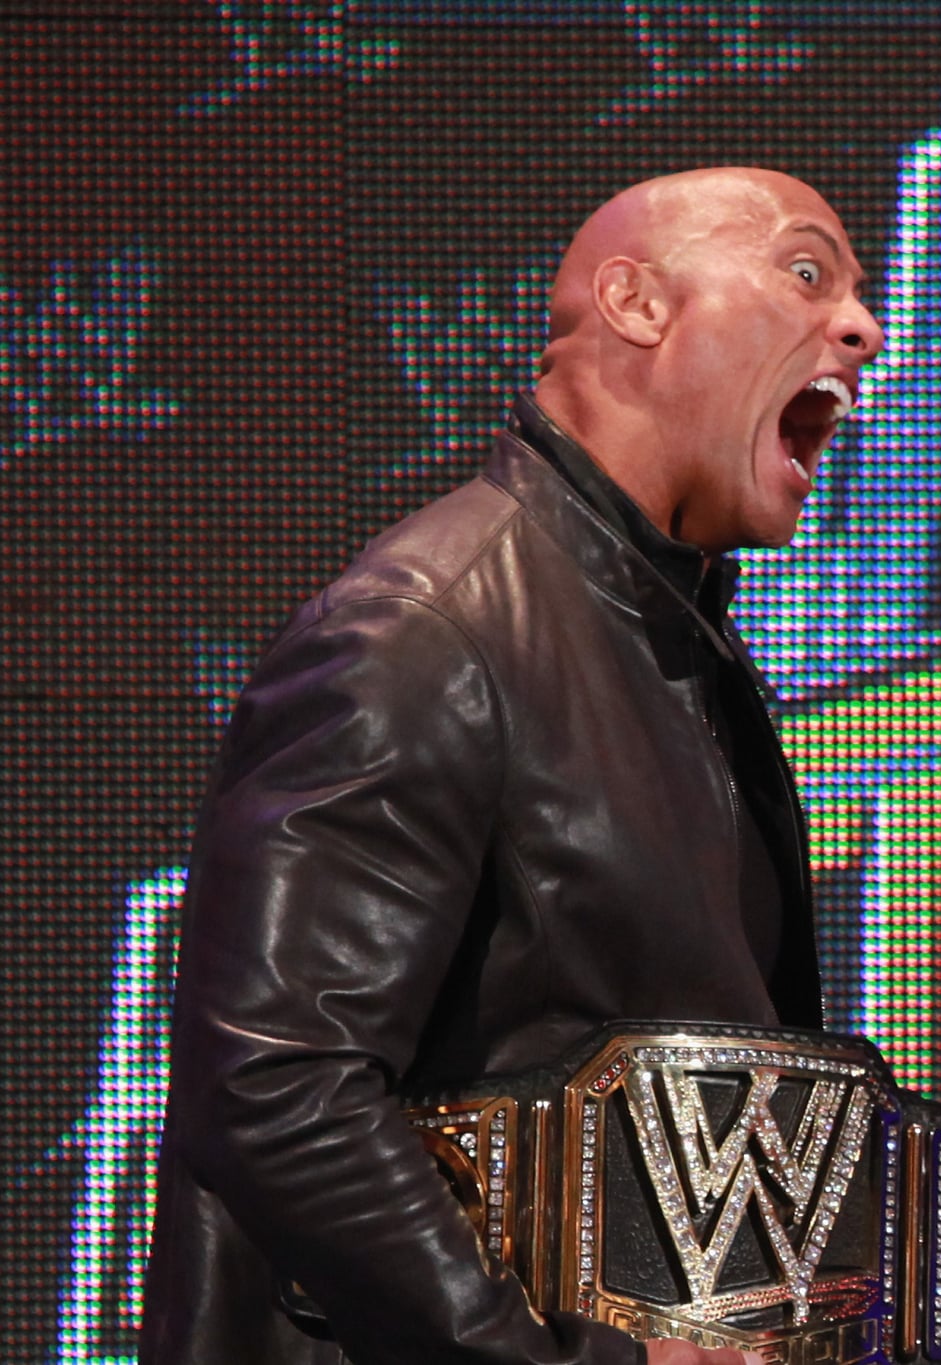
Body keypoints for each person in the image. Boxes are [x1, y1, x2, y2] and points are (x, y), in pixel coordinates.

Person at [141, 168, 883, 1365]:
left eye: (858, 293)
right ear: (636, 303)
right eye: (806, 273)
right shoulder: (422, 630)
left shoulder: (671, 643)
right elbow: (277, 1093)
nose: (858, 325)